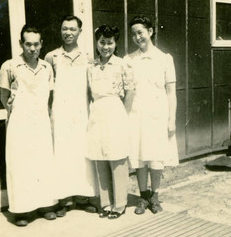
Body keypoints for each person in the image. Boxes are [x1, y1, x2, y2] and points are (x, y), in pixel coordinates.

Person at [0, 25, 57, 226]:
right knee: (21, 164)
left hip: (40, 120)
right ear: (21, 44)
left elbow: (49, 96)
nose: (32, 48)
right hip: (20, 122)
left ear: (41, 45)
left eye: (36, 44)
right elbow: (3, 96)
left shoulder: (47, 67)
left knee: (42, 162)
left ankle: (46, 205)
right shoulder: (10, 66)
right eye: (28, 44)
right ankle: (22, 211)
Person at [125, 15, 178, 214]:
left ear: (150, 31)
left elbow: (171, 93)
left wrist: (171, 119)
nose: (137, 37)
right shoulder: (128, 60)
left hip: (158, 114)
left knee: (156, 157)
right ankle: (143, 196)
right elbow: (127, 91)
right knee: (139, 157)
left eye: (140, 32)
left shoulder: (164, 59)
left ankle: (155, 195)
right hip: (136, 114)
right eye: (133, 34)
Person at [44, 15, 97, 217]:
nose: (68, 33)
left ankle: (83, 197)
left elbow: (92, 88)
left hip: (82, 111)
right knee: (63, 155)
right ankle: (64, 199)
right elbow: (47, 89)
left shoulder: (88, 56)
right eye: (65, 29)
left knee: (82, 153)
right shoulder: (52, 57)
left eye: (72, 29)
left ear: (80, 32)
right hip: (61, 113)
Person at [86, 25, 135, 219]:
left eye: (110, 42)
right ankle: (105, 202)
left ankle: (120, 203)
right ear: (97, 43)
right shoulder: (91, 66)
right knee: (100, 156)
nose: (106, 46)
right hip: (97, 111)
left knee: (117, 157)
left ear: (116, 44)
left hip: (115, 111)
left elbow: (130, 91)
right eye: (102, 42)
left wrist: (124, 114)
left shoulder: (122, 64)